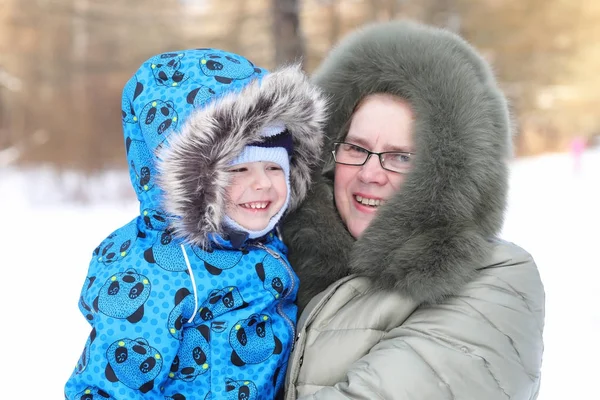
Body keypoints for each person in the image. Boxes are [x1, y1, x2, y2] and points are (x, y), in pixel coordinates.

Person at [281, 20, 545, 399]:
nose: (370, 173)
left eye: (401, 156)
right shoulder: (279, 270)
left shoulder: (496, 282)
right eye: (356, 148)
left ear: (447, 173)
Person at [64, 48, 327, 400]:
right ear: (193, 185)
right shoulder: (163, 272)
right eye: (238, 170)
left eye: (274, 168)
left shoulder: (263, 242)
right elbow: (109, 388)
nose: (263, 183)